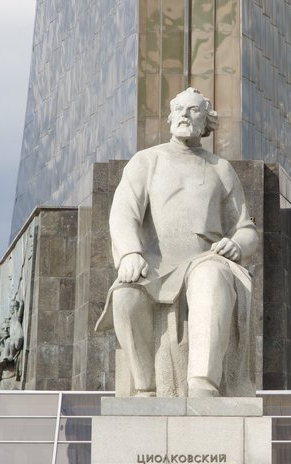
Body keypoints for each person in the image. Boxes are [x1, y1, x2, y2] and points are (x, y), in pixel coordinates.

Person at [96, 87, 259, 398]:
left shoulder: (220, 169)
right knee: (125, 294)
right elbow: (122, 213)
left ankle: (202, 385)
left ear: (207, 122)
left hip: (204, 261)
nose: (185, 115)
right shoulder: (146, 161)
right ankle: (146, 388)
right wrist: (130, 253)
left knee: (212, 277)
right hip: (154, 266)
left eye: (194, 110)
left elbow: (246, 229)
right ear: (170, 117)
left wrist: (237, 244)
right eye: (180, 109)